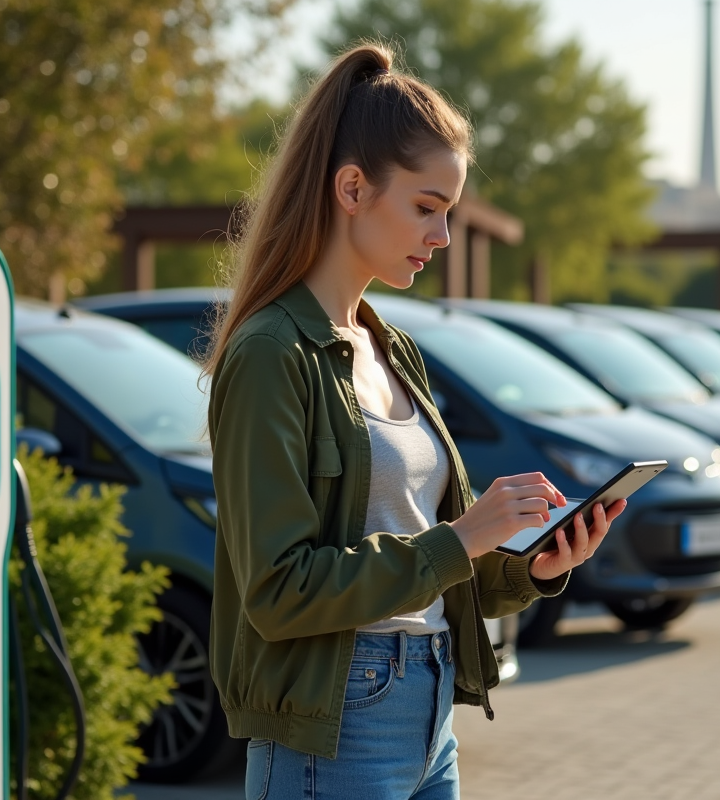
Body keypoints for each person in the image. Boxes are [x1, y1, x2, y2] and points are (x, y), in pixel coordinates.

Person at [203, 42, 627, 800]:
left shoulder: (389, 348)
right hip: (335, 725)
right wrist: (462, 537)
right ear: (353, 188)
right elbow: (278, 590)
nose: (443, 236)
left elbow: (433, 573)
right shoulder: (272, 353)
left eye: (450, 212)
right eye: (427, 208)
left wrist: (531, 567)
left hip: (430, 709)